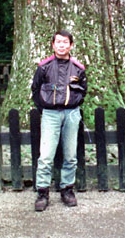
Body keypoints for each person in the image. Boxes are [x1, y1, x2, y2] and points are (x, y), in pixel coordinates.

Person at [31, 30, 88, 212]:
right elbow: (35, 90)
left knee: (70, 155)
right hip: (50, 114)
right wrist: (46, 108)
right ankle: (42, 192)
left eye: (65, 42)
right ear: (53, 45)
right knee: (46, 155)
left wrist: (73, 104)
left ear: (71, 45)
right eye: (58, 42)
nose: (62, 45)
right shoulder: (44, 67)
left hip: (72, 113)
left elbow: (83, 91)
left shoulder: (78, 68)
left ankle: (67, 189)